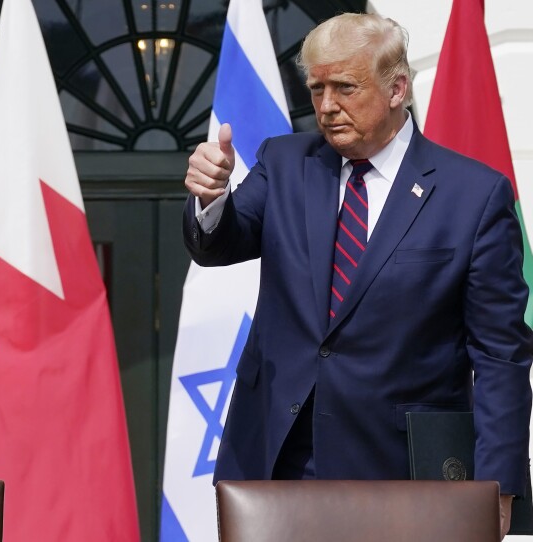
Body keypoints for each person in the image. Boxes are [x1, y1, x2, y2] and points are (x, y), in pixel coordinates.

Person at [184, 12, 531, 539]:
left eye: (345, 87)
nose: (326, 106)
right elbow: (221, 243)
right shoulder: (285, 162)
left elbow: (501, 356)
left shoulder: (474, 196)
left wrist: (499, 484)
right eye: (317, 88)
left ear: (397, 88)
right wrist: (210, 200)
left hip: (403, 472)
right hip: (276, 463)